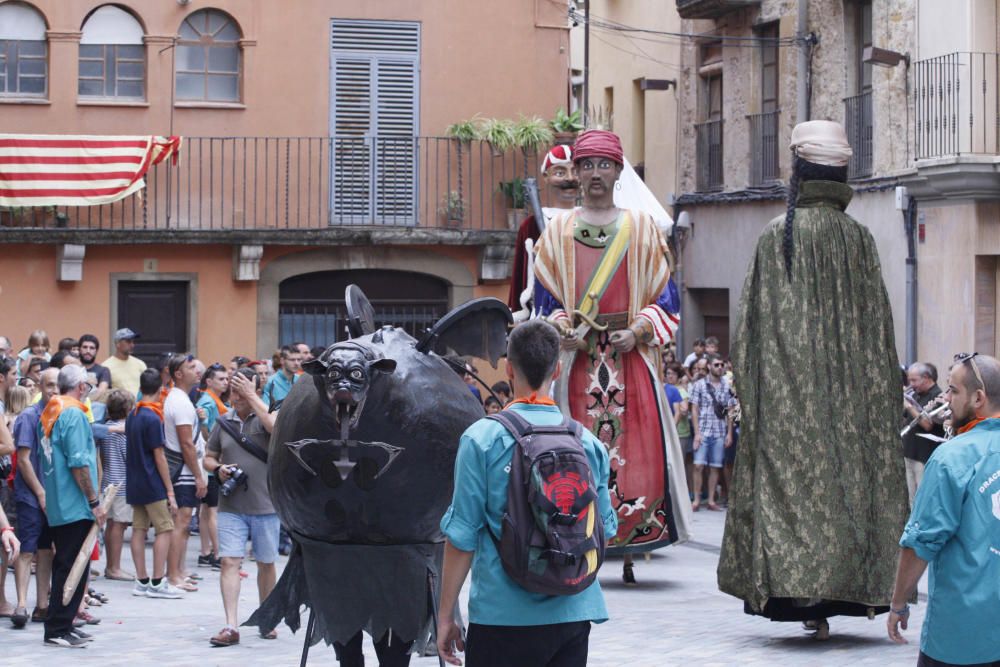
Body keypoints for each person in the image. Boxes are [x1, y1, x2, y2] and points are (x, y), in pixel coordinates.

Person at [718, 120, 908, 639]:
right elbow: (880, 336)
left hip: (786, 416)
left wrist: (754, 400)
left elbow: (748, 332)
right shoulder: (861, 240)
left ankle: (802, 600)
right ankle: (841, 594)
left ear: (797, 173)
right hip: (851, 416)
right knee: (842, 495)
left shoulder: (776, 236)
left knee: (792, 498)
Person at [533, 129, 690, 584]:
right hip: (576, 362)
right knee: (571, 452)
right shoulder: (557, 230)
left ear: (619, 170)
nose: (595, 174)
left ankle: (633, 539)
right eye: (587, 165)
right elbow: (544, 298)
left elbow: (668, 298)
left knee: (638, 453)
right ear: (576, 173)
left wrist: (639, 329)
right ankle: (575, 535)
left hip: (630, 360)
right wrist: (562, 325)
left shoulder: (642, 228)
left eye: (604, 165)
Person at [437, 319, 617, 667]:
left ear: (508, 366)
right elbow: (605, 530)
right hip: (574, 610)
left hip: (502, 615)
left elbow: (461, 537)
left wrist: (447, 615)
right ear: (558, 369)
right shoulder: (589, 443)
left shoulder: (481, 440)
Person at [887, 353, 1000, 667]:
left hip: (964, 632)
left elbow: (920, 542)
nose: (946, 398)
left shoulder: (952, 456)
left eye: (953, 390)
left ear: (978, 398)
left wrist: (898, 603)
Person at [203, 369, 279, 647]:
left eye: (241, 390)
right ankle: (230, 625)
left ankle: (267, 617)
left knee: (266, 563)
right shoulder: (224, 422)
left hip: (267, 506)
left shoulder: (270, 416)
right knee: (229, 561)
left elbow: (276, 428)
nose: (234, 397)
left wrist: (251, 395)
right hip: (231, 506)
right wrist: (218, 468)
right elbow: (208, 457)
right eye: (232, 390)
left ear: (255, 390)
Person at [38, 364, 105, 647]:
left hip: (59, 501)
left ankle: (63, 622)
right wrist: (94, 500)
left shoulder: (53, 409)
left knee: (69, 565)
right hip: (75, 503)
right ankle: (57, 628)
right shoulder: (74, 413)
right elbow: (79, 463)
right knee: (71, 567)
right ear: (80, 387)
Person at [127, 369, 183, 599]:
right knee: (165, 528)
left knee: (139, 530)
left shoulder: (134, 413)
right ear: (161, 390)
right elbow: (159, 455)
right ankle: (158, 581)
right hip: (152, 482)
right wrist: (170, 490)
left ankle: (141, 580)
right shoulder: (152, 416)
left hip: (135, 481)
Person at [507, 145, 579, 318]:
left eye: (575, 171)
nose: (570, 178)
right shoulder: (530, 226)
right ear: (546, 177)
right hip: (544, 313)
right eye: (560, 173)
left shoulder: (594, 219)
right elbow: (521, 275)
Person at [163, 354, 207, 592]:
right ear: (178, 374)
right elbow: (186, 444)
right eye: (191, 367)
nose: (197, 370)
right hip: (184, 471)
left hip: (186, 468)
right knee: (181, 523)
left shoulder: (181, 399)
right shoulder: (179, 401)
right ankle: (173, 575)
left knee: (183, 523)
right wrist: (198, 476)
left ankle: (177, 571)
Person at [97, 390, 134, 581]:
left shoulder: (107, 427)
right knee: (119, 525)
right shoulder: (124, 430)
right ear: (128, 408)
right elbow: (129, 457)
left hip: (108, 480)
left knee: (111, 524)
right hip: (122, 482)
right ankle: (114, 567)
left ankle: (111, 565)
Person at [688, 353, 733, 511]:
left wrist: (729, 433)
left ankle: (712, 501)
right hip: (703, 430)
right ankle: (696, 500)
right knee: (698, 466)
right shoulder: (699, 384)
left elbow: (730, 410)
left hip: (720, 431)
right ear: (709, 366)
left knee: (715, 467)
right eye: (716, 365)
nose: (720, 367)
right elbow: (694, 409)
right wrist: (697, 433)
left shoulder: (727, 385)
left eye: (722, 365)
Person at [196, 363, 229, 569]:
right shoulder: (208, 402)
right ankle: (218, 554)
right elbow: (206, 434)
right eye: (221, 379)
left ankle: (205, 551)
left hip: (207, 462)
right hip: (211, 461)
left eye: (226, 379)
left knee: (206, 510)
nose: (225, 383)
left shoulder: (211, 400)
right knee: (214, 510)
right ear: (209, 382)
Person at [902, 362, 946, 505]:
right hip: (909, 452)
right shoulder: (916, 394)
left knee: (922, 499)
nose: (911, 384)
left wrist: (909, 407)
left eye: (914, 380)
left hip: (924, 456)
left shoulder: (938, 396)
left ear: (926, 377)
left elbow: (927, 425)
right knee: (911, 498)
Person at [664, 362, 694, 500]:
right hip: (669, 431)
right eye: (668, 373)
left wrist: (682, 406)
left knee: (679, 463)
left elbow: (684, 409)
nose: (670, 376)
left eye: (673, 374)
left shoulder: (681, 390)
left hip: (681, 432)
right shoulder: (664, 388)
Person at [102, 328, 147, 397]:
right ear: (118, 344)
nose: (132, 345)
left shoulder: (140, 364)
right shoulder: (106, 367)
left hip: (140, 405)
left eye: (133, 342)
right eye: (128, 341)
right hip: (120, 406)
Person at [261, 345, 302, 410]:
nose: (296, 363)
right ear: (282, 361)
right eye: (292, 360)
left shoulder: (301, 380)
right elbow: (265, 409)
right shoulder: (270, 382)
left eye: (299, 360)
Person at [77, 334, 111, 399]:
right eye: (85, 347)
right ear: (79, 349)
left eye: (92, 348)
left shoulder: (104, 370)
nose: (88, 351)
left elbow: (101, 392)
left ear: (96, 351)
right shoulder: (73, 369)